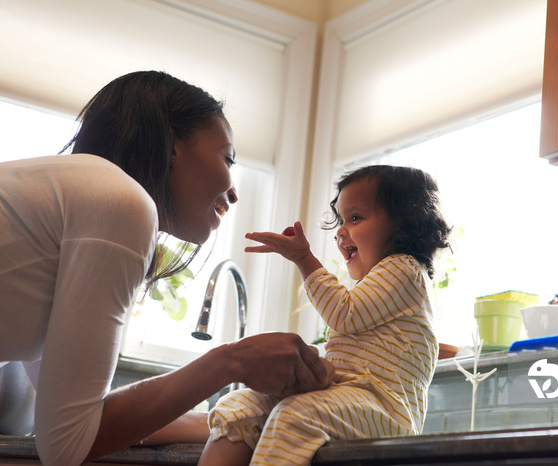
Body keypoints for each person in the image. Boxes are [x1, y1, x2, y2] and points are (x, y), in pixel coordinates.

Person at [0, 70, 331, 466]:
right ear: (172, 145)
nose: (234, 191)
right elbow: (67, 444)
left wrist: (235, 417)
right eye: (227, 158)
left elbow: (68, 421)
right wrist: (231, 361)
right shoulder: (120, 201)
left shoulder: (76, 195)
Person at [199, 165, 452, 466]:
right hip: (352, 399)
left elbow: (344, 314)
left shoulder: (406, 269)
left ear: (404, 224)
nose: (341, 230)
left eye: (355, 218)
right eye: (341, 220)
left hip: (387, 411)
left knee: (295, 416)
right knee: (237, 408)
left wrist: (304, 258)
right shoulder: (379, 285)